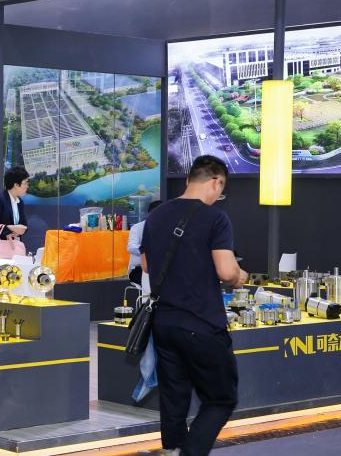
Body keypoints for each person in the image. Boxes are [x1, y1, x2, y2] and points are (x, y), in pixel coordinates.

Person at [140, 155, 247, 456]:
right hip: (201, 323)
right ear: (216, 182)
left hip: (164, 322)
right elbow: (226, 271)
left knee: (174, 398)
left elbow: (146, 264)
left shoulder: (156, 216)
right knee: (221, 399)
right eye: (220, 190)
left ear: (189, 179)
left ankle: (172, 449)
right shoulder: (215, 218)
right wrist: (239, 276)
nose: (218, 196)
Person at [0, 166, 29, 241]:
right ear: (16, 185)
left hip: (14, 244)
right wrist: (11, 228)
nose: (27, 186)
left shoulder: (20, 202)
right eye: (25, 183)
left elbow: (24, 225)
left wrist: (20, 230)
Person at [127, 199, 163, 286]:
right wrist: (146, 250)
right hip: (139, 269)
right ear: (150, 214)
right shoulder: (137, 228)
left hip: (160, 269)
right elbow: (131, 247)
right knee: (156, 282)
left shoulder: (167, 228)